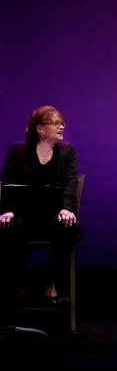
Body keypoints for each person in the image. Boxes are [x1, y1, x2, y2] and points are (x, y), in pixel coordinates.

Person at [0, 105, 79, 305]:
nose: (61, 127)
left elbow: (70, 182)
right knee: (8, 227)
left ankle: (50, 282)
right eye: (55, 123)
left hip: (53, 214)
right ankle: (19, 282)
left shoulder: (67, 151)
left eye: (62, 123)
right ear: (40, 129)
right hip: (23, 214)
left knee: (68, 227)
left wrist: (66, 208)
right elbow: (6, 182)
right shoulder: (17, 151)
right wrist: (6, 210)